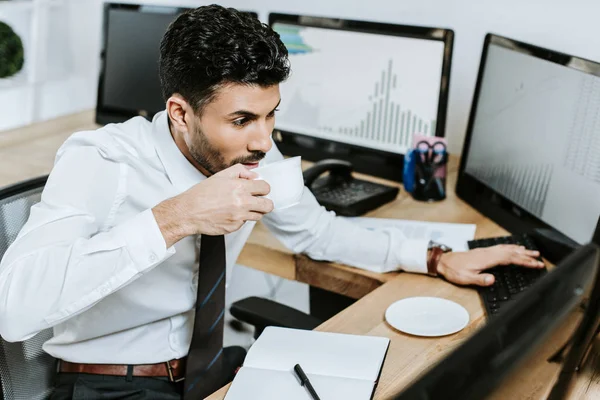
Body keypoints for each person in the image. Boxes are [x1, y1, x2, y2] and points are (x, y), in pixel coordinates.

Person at [0, 5, 543, 400]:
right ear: (180, 113)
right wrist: (177, 216)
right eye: (242, 120)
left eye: (271, 114)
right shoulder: (102, 160)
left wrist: (435, 257)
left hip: (211, 373)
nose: (264, 139)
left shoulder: (255, 147)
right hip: (115, 384)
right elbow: (13, 309)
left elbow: (318, 233)